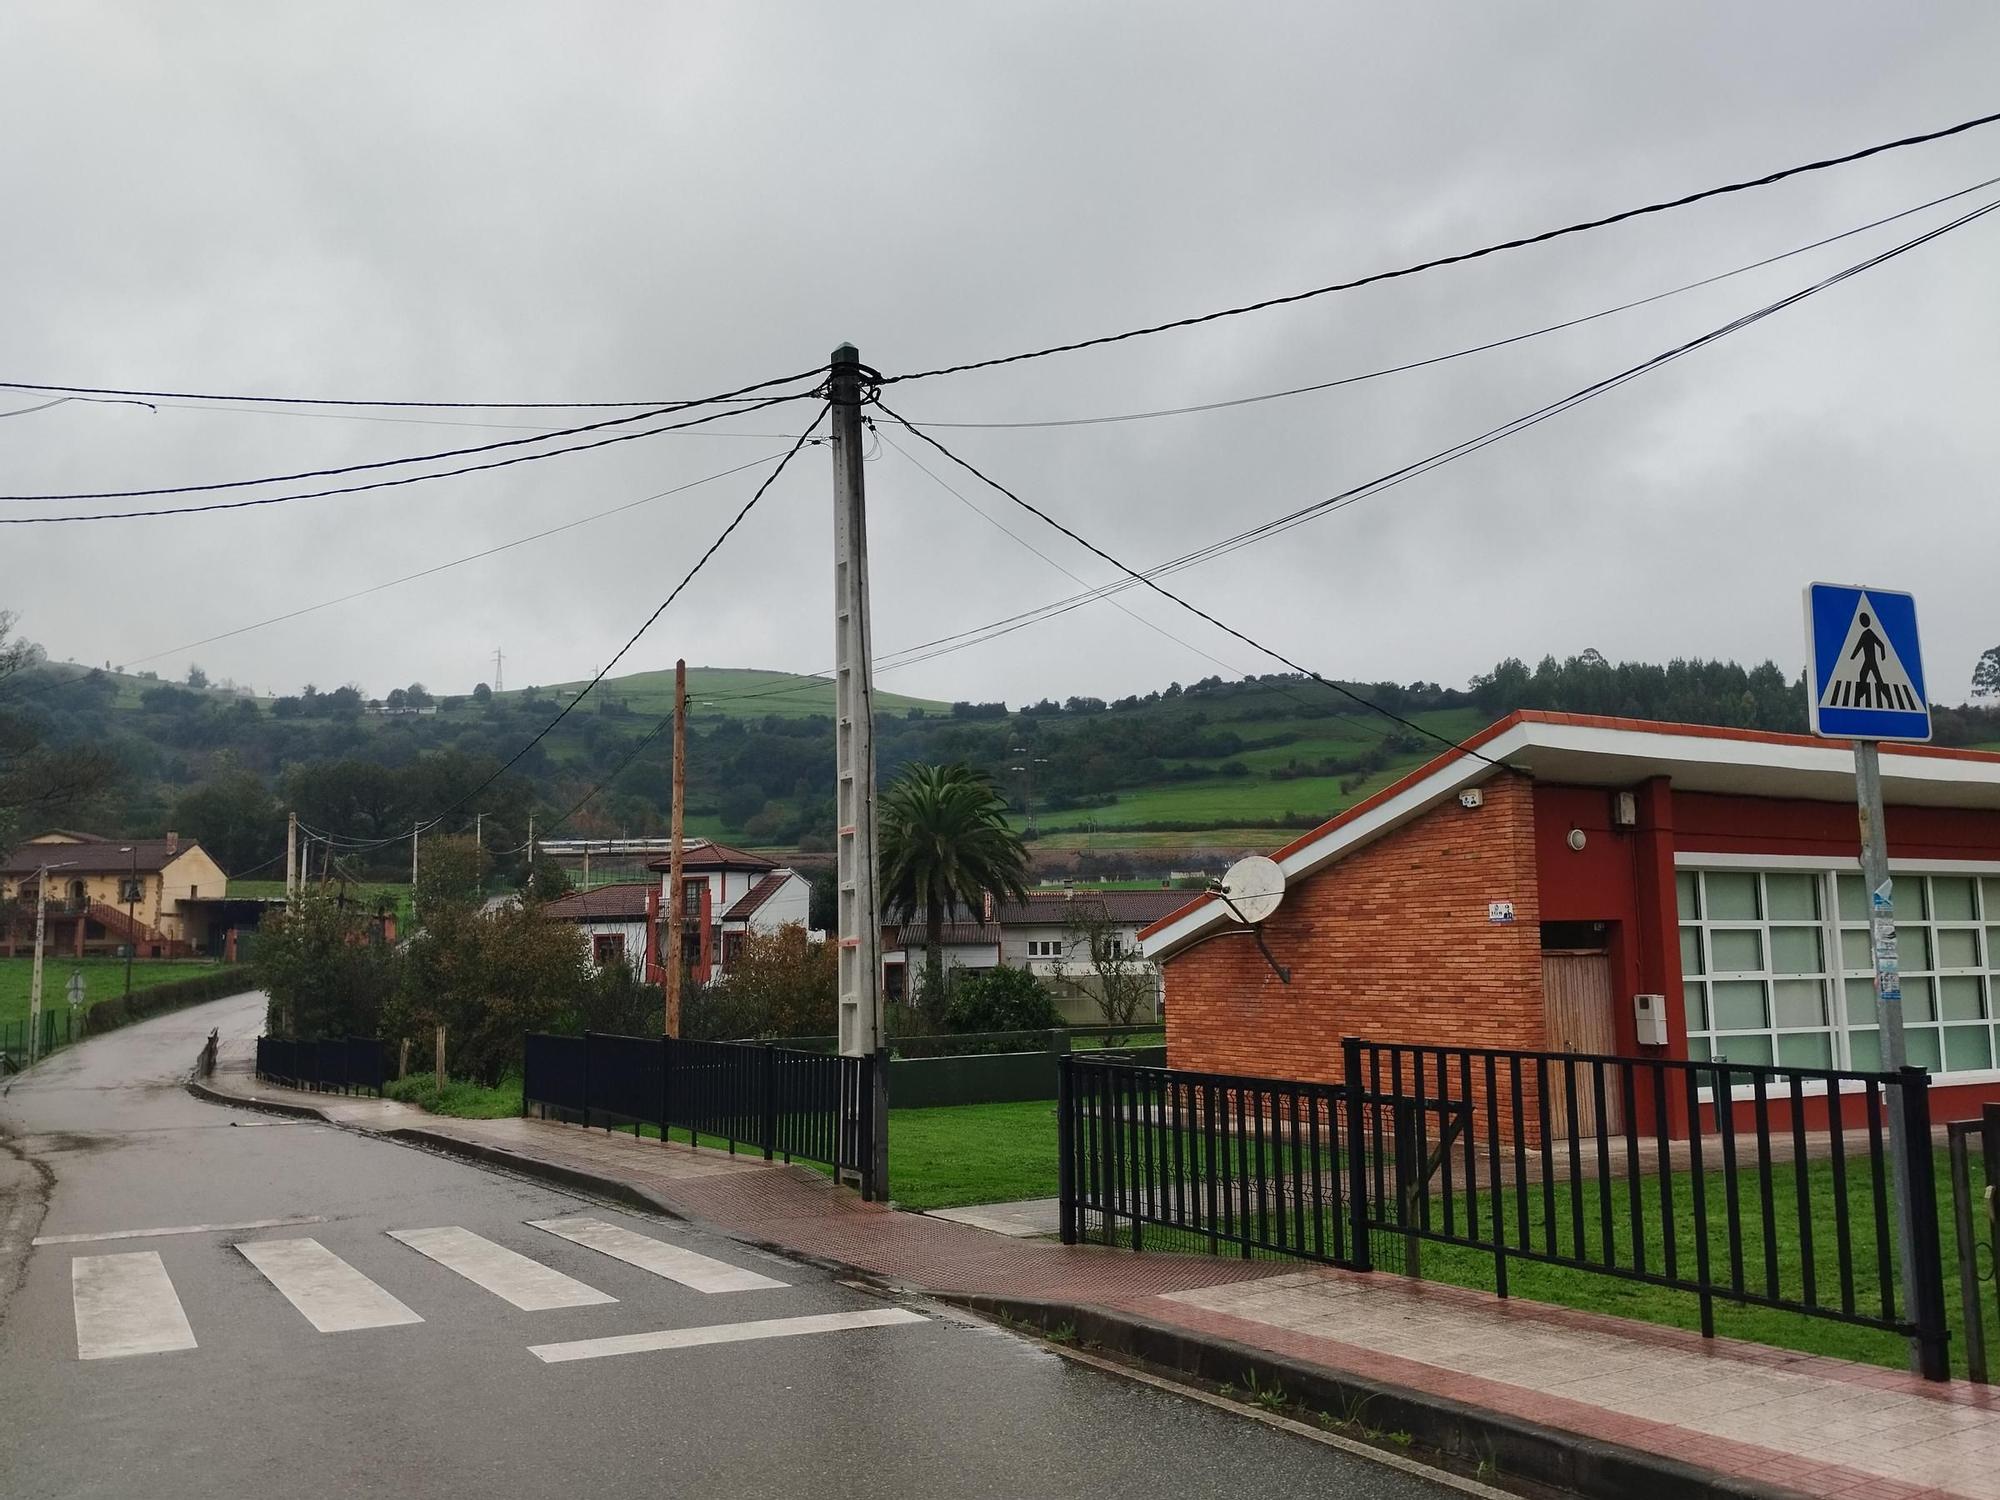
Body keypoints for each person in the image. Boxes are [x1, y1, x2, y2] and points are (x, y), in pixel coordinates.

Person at [1851, 611, 1888, 707]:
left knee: (1878, 680)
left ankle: (1887, 696)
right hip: (1868, 661)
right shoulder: (1866, 634)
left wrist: (1883, 656)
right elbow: (1858, 647)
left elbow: (1881, 644)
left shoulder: (1869, 633)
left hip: (1871, 661)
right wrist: (1852, 656)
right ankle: (1862, 692)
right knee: (1863, 675)